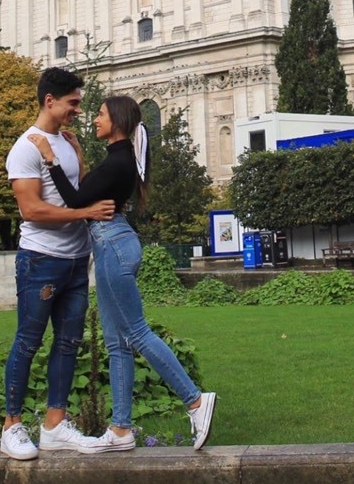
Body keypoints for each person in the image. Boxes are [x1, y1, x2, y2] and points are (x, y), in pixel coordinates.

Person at [28, 94, 217, 452]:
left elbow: (74, 200)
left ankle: (195, 400)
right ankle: (120, 429)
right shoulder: (119, 158)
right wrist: (78, 155)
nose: (94, 119)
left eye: (100, 114)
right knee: (117, 343)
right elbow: (88, 191)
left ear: (116, 120)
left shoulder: (119, 161)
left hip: (113, 244)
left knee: (136, 332)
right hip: (112, 242)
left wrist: (50, 158)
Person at [1, 67, 116, 461]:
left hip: (75, 260)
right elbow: (31, 210)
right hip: (41, 259)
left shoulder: (66, 142)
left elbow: (78, 188)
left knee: (68, 344)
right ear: (49, 101)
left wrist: (80, 158)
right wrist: (85, 213)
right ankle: (11, 427)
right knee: (28, 342)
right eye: (73, 103)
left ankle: (54, 426)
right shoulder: (25, 148)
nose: (78, 111)